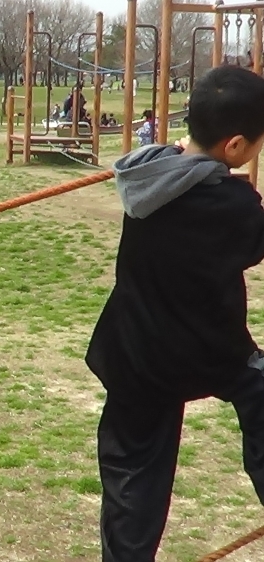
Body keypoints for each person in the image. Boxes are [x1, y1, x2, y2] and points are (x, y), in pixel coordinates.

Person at [85, 65, 264, 562]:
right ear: (234, 147)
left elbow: (179, 160)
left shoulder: (147, 173)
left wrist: (195, 155)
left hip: (134, 354)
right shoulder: (233, 203)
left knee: (132, 482)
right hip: (206, 350)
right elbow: (253, 244)